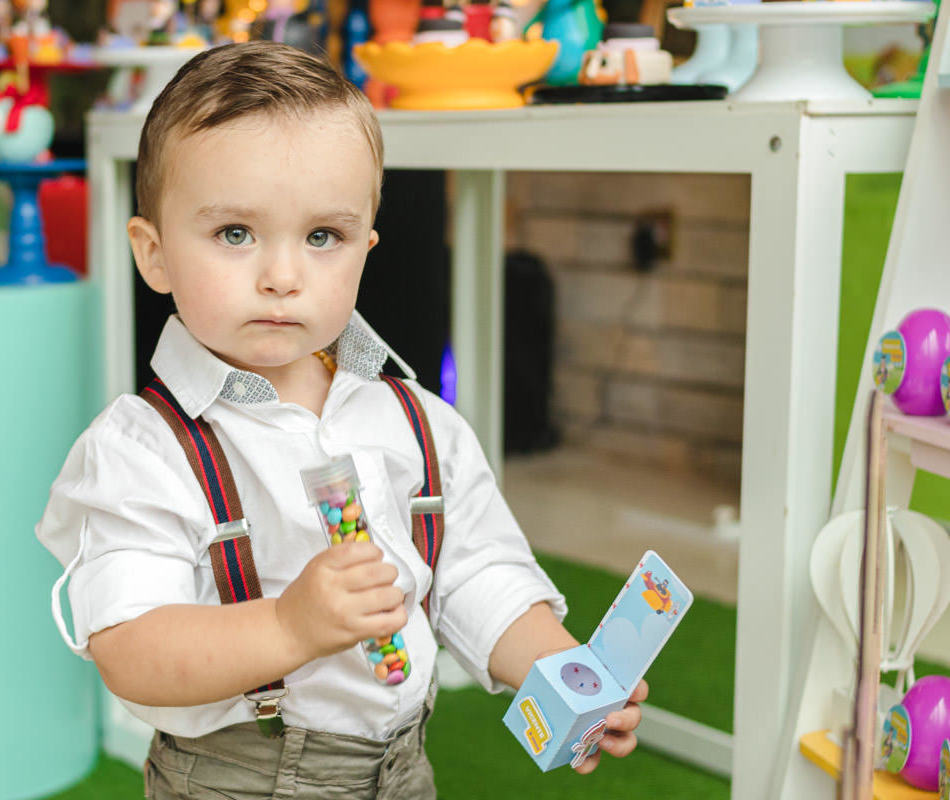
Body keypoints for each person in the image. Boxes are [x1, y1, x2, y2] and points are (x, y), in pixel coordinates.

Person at [36, 41, 647, 799]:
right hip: (241, 779)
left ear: (365, 248)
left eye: (323, 236)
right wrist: (286, 627)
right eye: (235, 234)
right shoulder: (143, 451)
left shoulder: (417, 421)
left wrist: (560, 669)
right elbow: (133, 647)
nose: (282, 276)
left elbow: (477, 574)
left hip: (402, 769)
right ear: (153, 253)